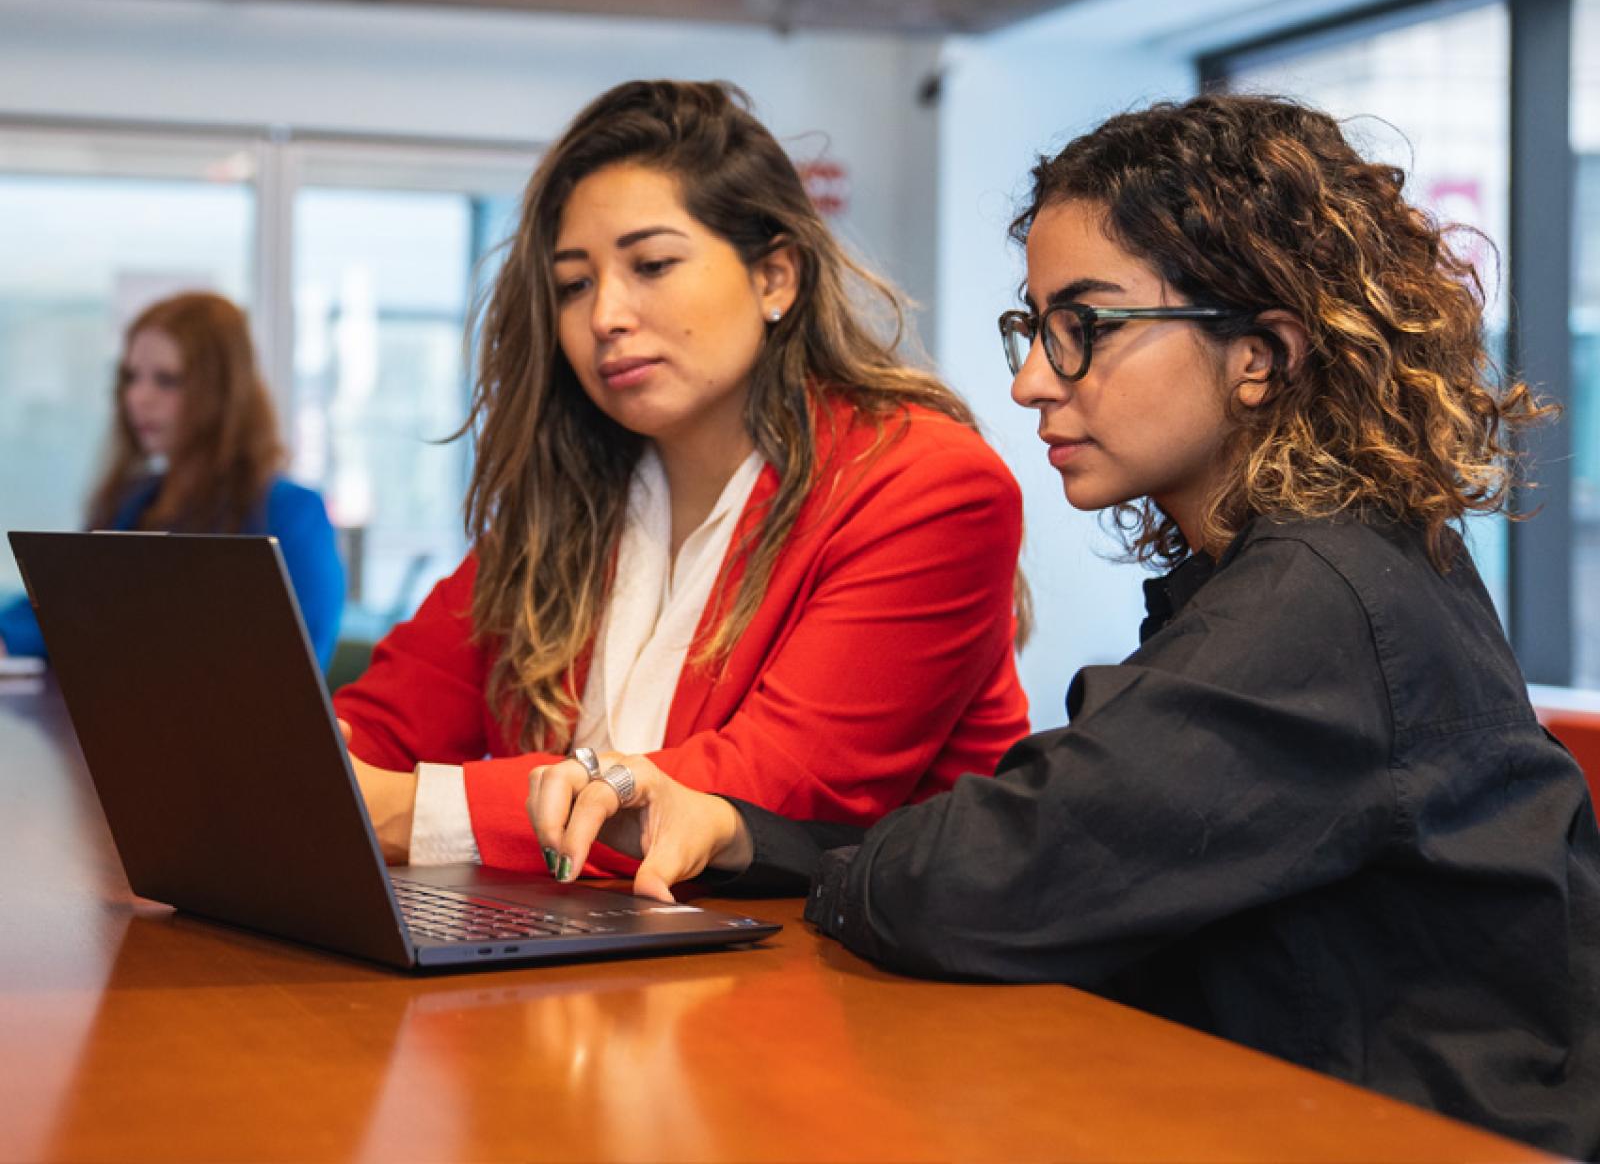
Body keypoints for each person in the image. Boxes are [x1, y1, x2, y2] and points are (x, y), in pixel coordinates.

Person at [530, 93, 1600, 1158]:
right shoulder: (1322, 564)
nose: (1031, 378)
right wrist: (738, 832)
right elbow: (1036, 842)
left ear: (1260, 354)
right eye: (1034, 327)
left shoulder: (1316, 598)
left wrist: (800, 852)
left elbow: (983, 879)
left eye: (1085, 329)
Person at [333, 79, 1029, 872]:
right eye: (574, 284)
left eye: (652, 264)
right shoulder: (569, 498)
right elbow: (379, 728)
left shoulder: (928, 487)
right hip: (596, 967)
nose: (604, 317)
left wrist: (405, 811)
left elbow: (769, 791)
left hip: (850, 985)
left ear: (776, 278)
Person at [0, 291, 345, 668]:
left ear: (222, 391)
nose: (138, 397)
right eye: (131, 378)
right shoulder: (133, 501)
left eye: (167, 380)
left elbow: (294, 668)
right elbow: (58, 607)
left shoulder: (291, 513)